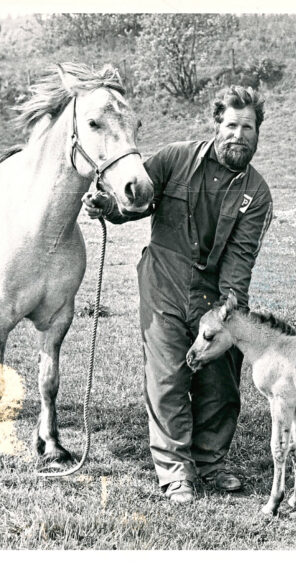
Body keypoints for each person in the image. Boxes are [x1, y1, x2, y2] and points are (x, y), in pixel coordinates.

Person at [82, 86, 273, 504]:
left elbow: (240, 264)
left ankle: (210, 461)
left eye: (248, 127)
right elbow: (133, 203)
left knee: (221, 382)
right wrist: (105, 207)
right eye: (231, 125)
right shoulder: (174, 158)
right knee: (167, 376)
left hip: (215, 294)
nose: (239, 135)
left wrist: (223, 315)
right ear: (216, 125)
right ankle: (174, 473)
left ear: (258, 133)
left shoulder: (256, 196)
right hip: (163, 284)